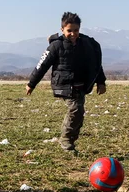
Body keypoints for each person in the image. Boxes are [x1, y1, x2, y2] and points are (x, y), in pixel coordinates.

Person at [26, 12, 106, 152]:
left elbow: (95, 64)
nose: (73, 34)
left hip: (80, 85)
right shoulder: (56, 46)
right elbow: (42, 65)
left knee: (79, 114)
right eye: (69, 31)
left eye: (76, 30)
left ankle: (70, 141)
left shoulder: (86, 45)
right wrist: (31, 84)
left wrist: (101, 81)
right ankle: (66, 140)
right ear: (62, 29)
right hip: (63, 85)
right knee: (75, 109)